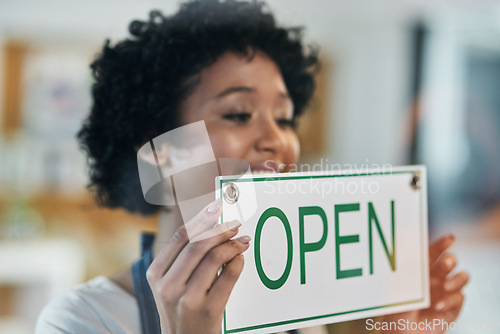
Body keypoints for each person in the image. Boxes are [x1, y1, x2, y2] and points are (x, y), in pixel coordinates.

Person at [35, 0, 469, 333]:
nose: (277, 139)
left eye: (284, 118)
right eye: (238, 114)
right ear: (163, 156)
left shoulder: (299, 310)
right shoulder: (83, 320)